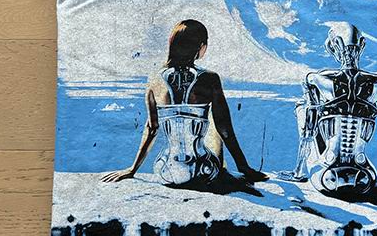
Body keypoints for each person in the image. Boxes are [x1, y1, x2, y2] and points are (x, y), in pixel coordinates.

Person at [101, 19, 267, 186]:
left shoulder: (154, 79)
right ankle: (234, 170)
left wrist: (132, 169)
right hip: (202, 170)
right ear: (200, 47)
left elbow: (151, 128)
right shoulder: (209, 78)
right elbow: (225, 130)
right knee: (216, 126)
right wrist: (243, 167)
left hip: (165, 170)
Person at [281, 23, 377, 198]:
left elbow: (308, 131)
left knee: (302, 107)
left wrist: (298, 173)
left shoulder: (315, 79)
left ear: (334, 47)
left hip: (326, 177)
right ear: (362, 46)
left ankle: (299, 172)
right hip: (365, 179)